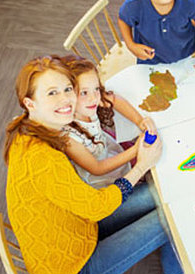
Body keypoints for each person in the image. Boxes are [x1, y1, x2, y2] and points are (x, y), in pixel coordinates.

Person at [4, 56, 190, 274]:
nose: (66, 100)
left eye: (68, 89)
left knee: (164, 192)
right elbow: (97, 207)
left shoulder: (27, 128)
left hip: (79, 223)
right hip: (71, 267)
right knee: (175, 216)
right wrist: (142, 164)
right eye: (52, 93)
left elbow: (88, 206)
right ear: (30, 103)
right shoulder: (43, 157)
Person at [61, 55, 157, 188]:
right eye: (84, 92)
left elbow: (113, 99)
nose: (94, 97)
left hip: (109, 152)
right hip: (104, 180)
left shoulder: (87, 102)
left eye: (96, 88)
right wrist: (136, 150)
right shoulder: (68, 138)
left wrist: (139, 120)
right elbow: (97, 168)